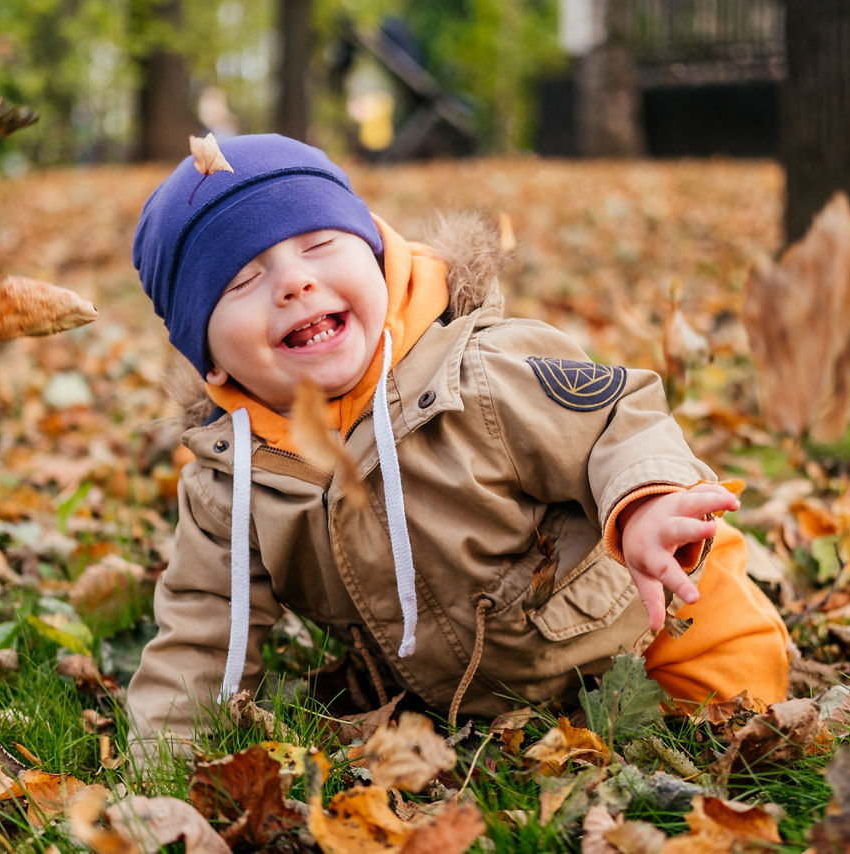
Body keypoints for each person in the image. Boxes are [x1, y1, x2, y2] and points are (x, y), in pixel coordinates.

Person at [128, 134, 790, 760]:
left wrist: (645, 505)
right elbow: (200, 631)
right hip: (476, 688)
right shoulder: (230, 482)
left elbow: (616, 419)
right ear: (209, 358)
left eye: (319, 243)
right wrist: (165, 766)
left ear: (379, 255)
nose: (293, 282)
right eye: (241, 280)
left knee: (737, 718)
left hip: (651, 609)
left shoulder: (482, 373)